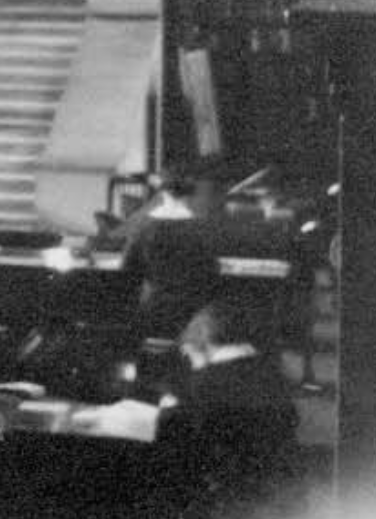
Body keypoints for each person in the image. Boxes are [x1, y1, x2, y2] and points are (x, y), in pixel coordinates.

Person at [154, 303, 303, 518]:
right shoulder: (271, 375)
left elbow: (175, 440)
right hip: (281, 498)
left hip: (226, 501)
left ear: (201, 342)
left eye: (187, 354)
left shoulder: (203, 385)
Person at [122, 168, 226, 344]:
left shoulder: (144, 229)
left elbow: (128, 272)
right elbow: (213, 273)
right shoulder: (202, 230)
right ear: (189, 196)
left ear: (163, 195)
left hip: (155, 312)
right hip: (194, 317)